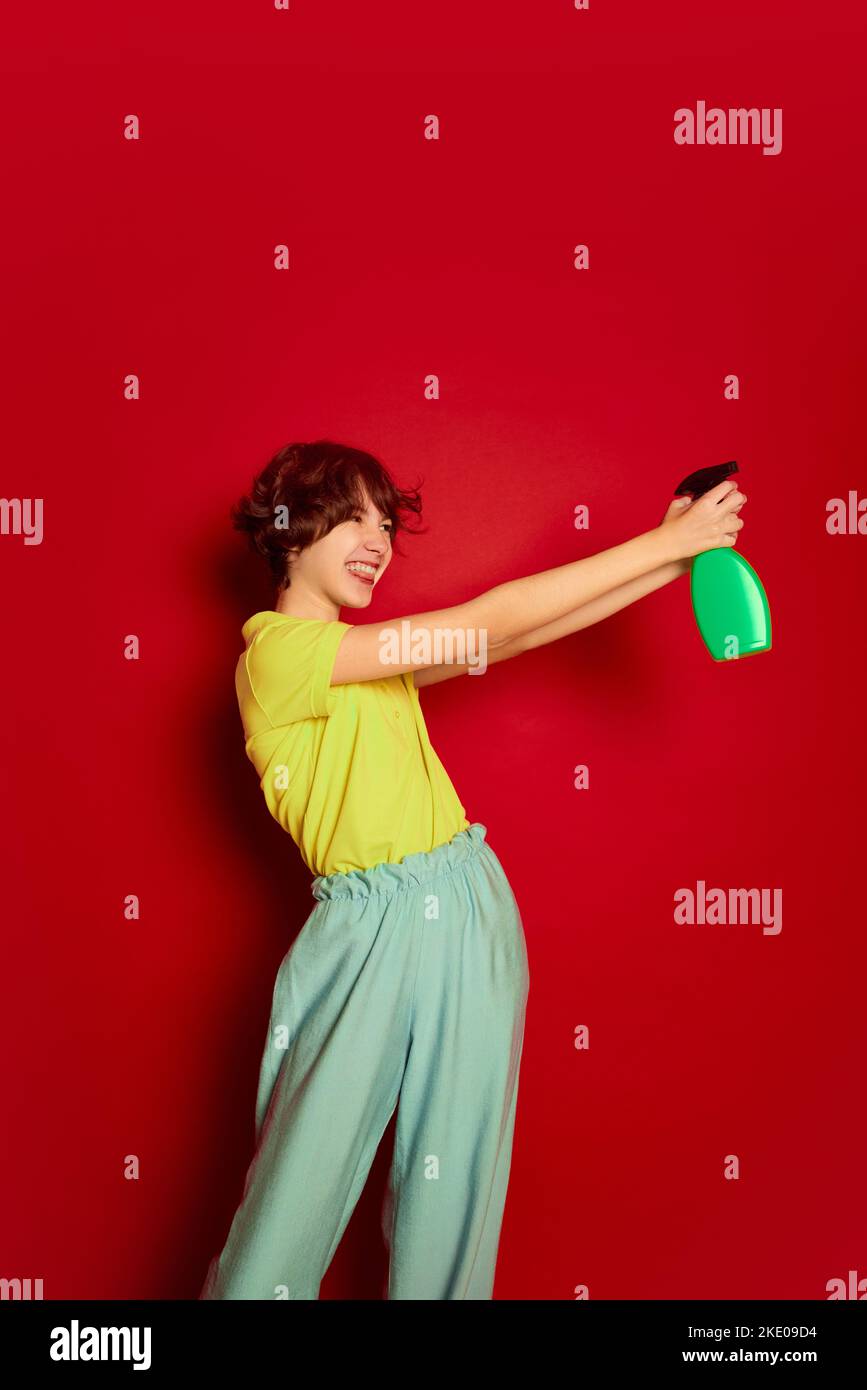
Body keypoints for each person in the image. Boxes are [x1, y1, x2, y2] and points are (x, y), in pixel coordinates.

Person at [199, 439, 746, 1301]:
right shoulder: (276, 655)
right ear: (289, 530)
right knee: (294, 1189)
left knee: (452, 1193)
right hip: (365, 932)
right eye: (349, 517)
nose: (375, 539)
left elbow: (516, 634)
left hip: (464, 900)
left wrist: (672, 557)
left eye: (384, 522)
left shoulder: (369, 666)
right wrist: (662, 548)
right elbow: (484, 621)